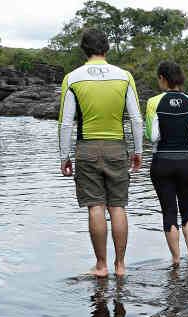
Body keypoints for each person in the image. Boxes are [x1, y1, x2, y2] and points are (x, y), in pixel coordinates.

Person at [58, 28, 143, 277]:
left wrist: (64, 156)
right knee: (118, 206)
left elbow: (65, 123)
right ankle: (121, 266)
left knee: (96, 207)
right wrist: (138, 150)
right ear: (106, 48)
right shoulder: (124, 76)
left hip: (87, 148)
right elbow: (136, 119)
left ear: (84, 49)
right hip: (117, 146)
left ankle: (101, 265)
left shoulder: (72, 78)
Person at [145, 61, 188, 265]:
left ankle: (176, 259)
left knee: (169, 211)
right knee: (187, 210)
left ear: (162, 78)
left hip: (162, 162)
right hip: (186, 162)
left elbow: (152, 136)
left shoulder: (153, 102)